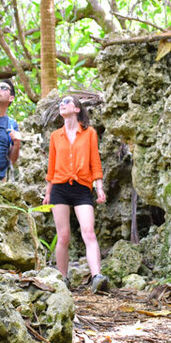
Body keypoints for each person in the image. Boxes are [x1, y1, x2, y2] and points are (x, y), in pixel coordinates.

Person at [43, 95, 108, 293]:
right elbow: (52, 166)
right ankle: (62, 278)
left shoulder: (89, 133)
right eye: (60, 103)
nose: (62, 104)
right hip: (60, 188)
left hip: (82, 187)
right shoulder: (55, 136)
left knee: (88, 230)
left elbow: (95, 162)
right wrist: (48, 193)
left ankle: (97, 276)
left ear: (77, 109)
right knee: (63, 236)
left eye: (67, 101)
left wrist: (99, 188)